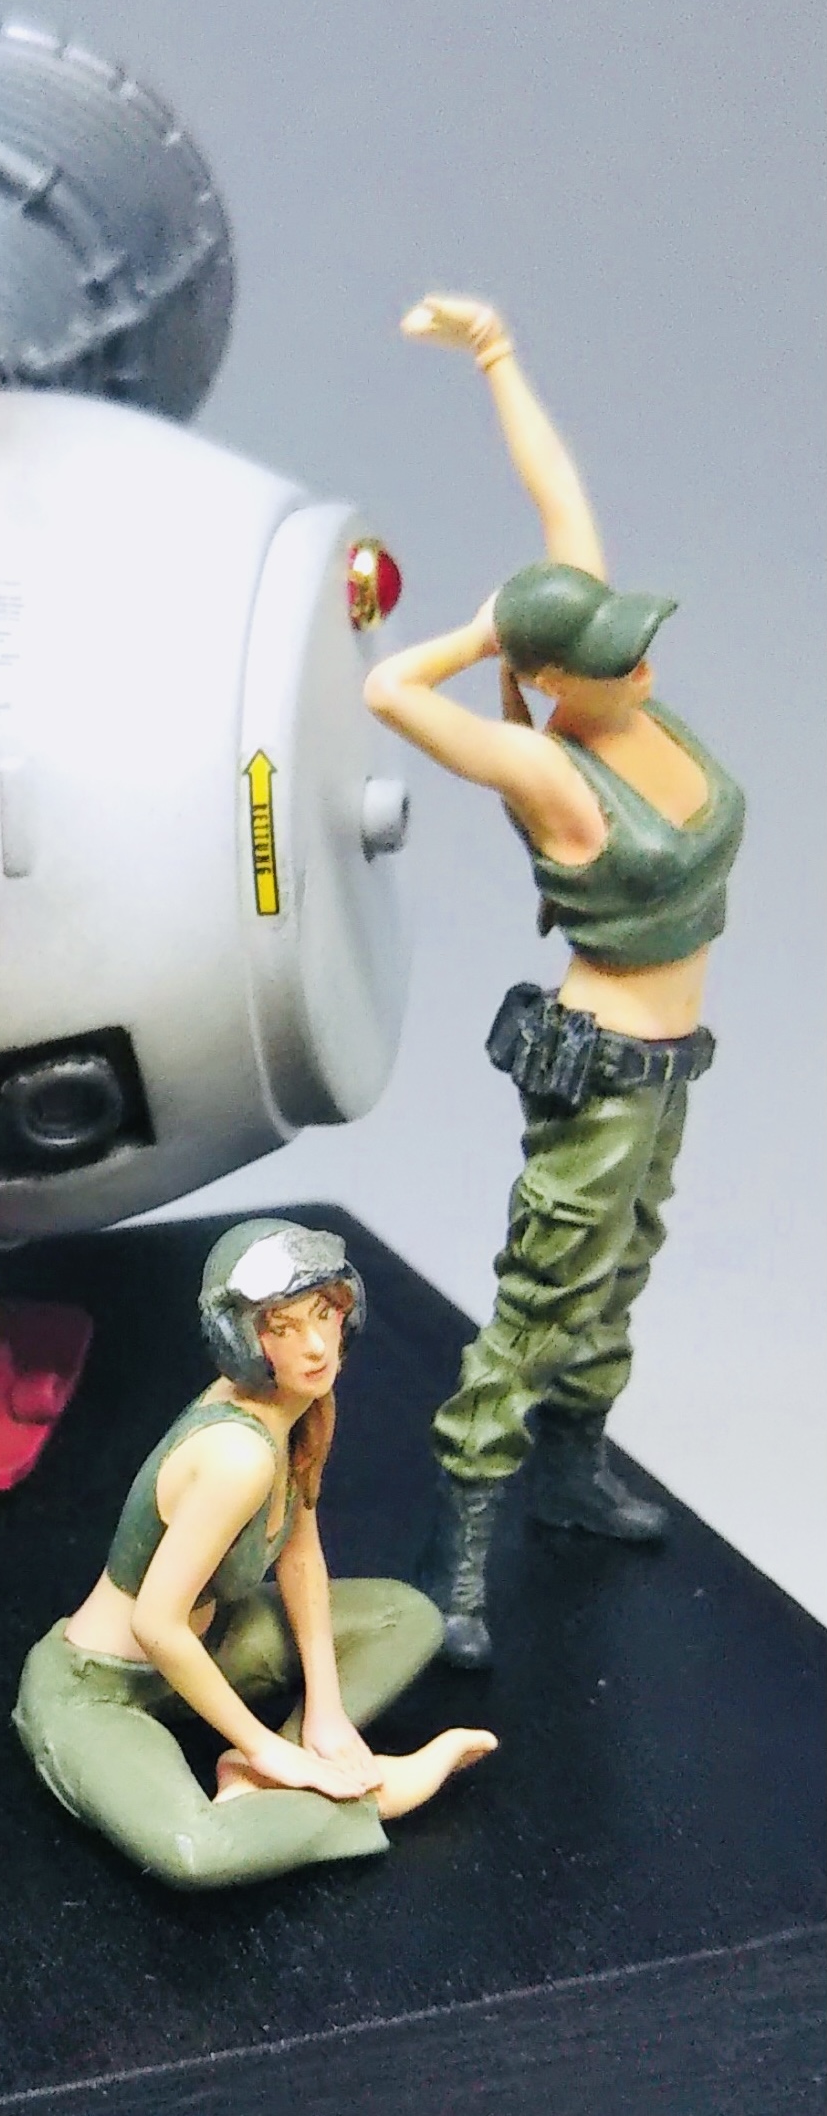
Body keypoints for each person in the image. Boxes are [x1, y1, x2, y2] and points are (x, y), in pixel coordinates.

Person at [364, 296, 745, 1668]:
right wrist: (478, 639)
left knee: (622, 1266)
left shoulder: (610, 677)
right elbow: (389, 693)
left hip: (670, 1068)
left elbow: (558, 497)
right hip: (599, 1075)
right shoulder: (545, 764)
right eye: (608, 656)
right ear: (554, 677)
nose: (641, 661)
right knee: (542, 1297)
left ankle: (572, 1474)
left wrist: (495, 357)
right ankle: (457, 1542)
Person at [13, 1220, 494, 1890]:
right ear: (239, 1337)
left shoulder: (304, 1405)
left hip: (213, 1644)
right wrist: (261, 1744)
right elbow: (156, 1624)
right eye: (282, 1327)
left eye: (324, 1313)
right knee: (196, 1851)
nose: (316, 1345)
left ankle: (281, 1775)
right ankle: (364, 1795)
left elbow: (299, 1556)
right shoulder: (236, 1455)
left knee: (407, 1617)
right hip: (99, 1688)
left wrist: (324, 1708)